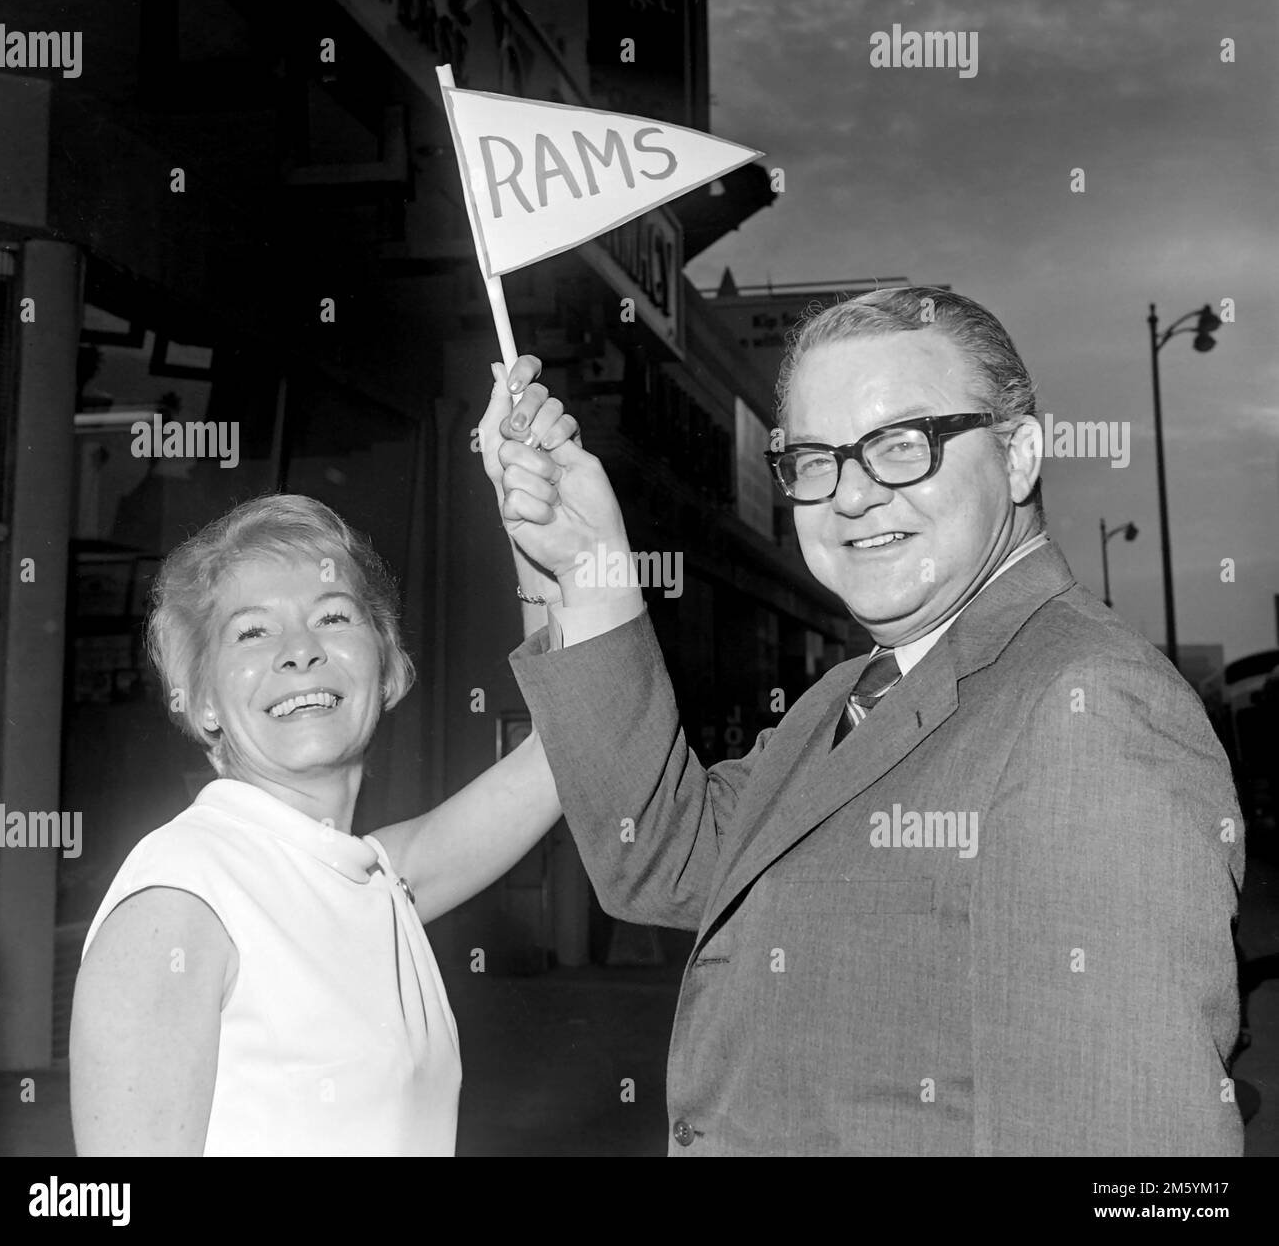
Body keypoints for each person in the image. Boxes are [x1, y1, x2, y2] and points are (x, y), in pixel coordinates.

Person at [481, 287, 1246, 1156]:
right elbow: (657, 854)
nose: (851, 496)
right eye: (816, 458)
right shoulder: (843, 697)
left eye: (899, 445)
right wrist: (592, 566)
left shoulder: (1090, 709)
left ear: (1021, 454)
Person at [71, 391, 576, 1157]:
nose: (299, 649)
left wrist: (530, 524)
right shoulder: (179, 903)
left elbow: (566, 747)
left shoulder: (372, 876)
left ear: (388, 665)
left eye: (334, 616)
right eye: (252, 631)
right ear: (200, 699)